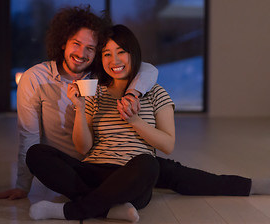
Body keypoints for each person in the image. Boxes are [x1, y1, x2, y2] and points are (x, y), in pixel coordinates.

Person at [26, 24, 270, 222]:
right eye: (107, 54)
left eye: (121, 51)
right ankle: (108, 208)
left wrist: (134, 120)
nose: (114, 59)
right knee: (36, 153)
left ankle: (72, 211)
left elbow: (168, 145)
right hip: (94, 170)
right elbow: (82, 148)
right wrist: (79, 108)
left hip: (133, 175)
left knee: (150, 164)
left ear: (133, 53)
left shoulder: (155, 93)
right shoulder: (94, 93)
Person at [0, 5, 158, 201]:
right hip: (67, 169)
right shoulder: (35, 78)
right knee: (35, 154)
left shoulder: (101, 76)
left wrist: (132, 94)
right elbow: (29, 135)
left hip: (104, 164)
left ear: (97, 52)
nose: (81, 53)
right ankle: (108, 201)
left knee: (157, 166)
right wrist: (22, 186)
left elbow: (148, 69)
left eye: (90, 48)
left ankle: (94, 201)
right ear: (63, 43)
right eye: (76, 43)